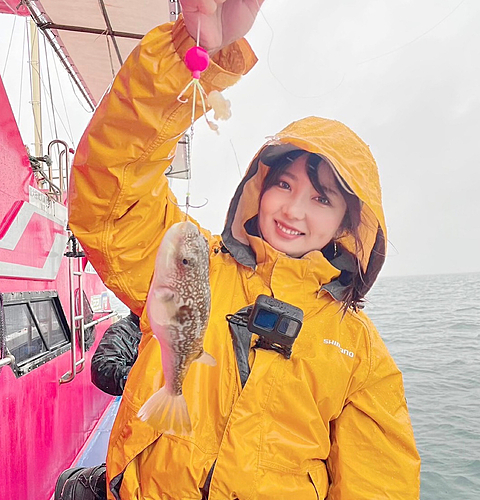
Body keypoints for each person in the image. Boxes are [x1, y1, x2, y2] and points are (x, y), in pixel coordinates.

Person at [68, 1, 421, 499]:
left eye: (322, 198)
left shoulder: (360, 352)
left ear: (348, 222)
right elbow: (108, 199)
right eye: (283, 183)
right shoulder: (190, 261)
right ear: (259, 187)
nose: (294, 210)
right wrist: (187, 56)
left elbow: (379, 481)